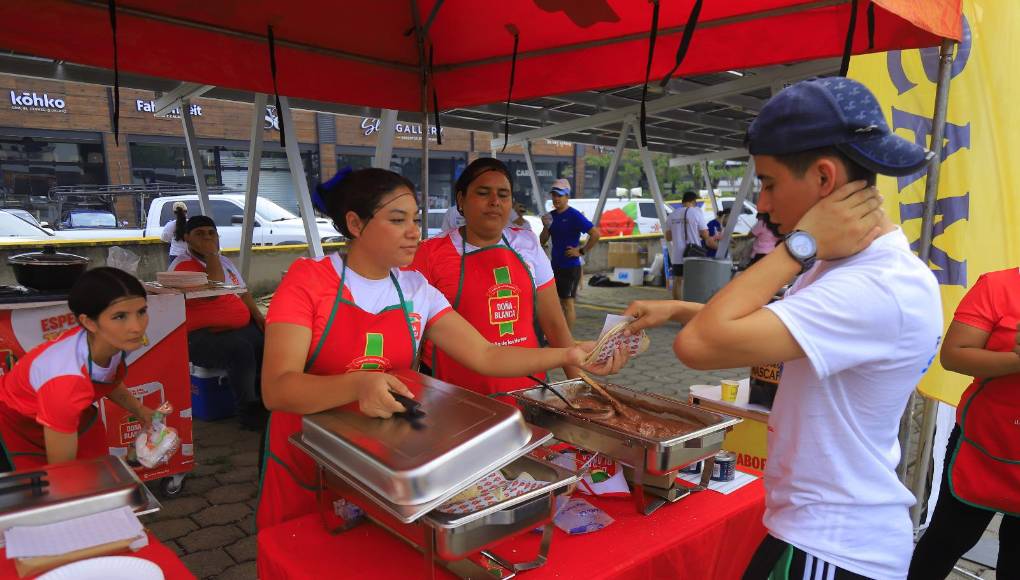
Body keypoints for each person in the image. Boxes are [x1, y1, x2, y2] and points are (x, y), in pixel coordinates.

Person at [623, 77, 941, 579]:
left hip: (832, 546)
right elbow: (770, 325)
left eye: (769, 183)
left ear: (823, 177)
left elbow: (698, 347)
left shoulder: (875, 286)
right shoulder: (848, 269)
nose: (764, 204)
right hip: (819, 531)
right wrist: (678, 308)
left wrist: (800, 245)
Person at [256, 167, 627, 530]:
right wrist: (358, 384)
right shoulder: (308, 282)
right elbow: (277, 388)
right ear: (355, 224)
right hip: (309, 458)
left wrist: (569, 354)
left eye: (416, 219)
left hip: (384, 464)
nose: (413, 232)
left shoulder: (415, 289)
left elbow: (486, 355)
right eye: (398, 220)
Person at [410, 158, 578, 396]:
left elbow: (554, 324)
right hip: (454, 399)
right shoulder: (429, 253)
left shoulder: (527, 243)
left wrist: (580, 387)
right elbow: (411, 337)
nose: (495, 201)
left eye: (503, 194)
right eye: (483, 193)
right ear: (461, 200)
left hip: (529, 396)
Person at [908, 267, 1020, 579]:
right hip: (984, 443)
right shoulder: (998, 286)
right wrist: (1015, 361)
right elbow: (954, 355)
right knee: (948, 539)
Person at [0, 268, 156, 471]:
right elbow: (63, 471)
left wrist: (140, 410)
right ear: (89, 322)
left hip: (63, 412)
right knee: (63, 481)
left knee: (95, 470)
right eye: (120, 316)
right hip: (20, 426)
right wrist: (120, 470)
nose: (137, 327)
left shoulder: (109, 341)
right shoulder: (64, 380)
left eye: (141, 312)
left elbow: (106, 378)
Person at [169, 215, 267, 430]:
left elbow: (243, 292)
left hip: (231, 329)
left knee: (268, 341)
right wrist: (211, 253)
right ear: (187, 238)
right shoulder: (182, 265)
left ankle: (265, 401)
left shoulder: (224, 262)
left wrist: (259, 317)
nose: (207, 238)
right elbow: (213, 289)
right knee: (239, 350)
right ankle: (248, 412)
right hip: (199, 337)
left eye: (211, 233)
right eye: (200, 234)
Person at [539, 178, 599, 330]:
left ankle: (567, 339)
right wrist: (546, 227)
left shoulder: (574, 215)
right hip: (555, 266)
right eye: (554, 195)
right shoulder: (550, 216)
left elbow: (595, 234)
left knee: (568, 303)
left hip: (570, 267)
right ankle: (559, 336)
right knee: (557, 303)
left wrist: (581, 251)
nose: (556, 198)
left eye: (559, 195)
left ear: (567, 197)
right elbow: (542, 240)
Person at [665, 191, 717, 300]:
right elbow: (705, 234)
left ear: (682, 201)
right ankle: (692, 303)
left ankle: (678, 304)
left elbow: (668, 237)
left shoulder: (672, 215)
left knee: (677, 280)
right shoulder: (696, 213)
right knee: (695, 280)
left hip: (677, 254)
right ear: (694, 201)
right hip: (693, 253)